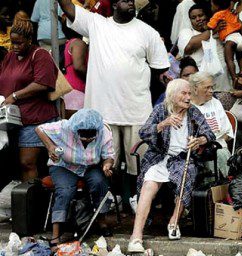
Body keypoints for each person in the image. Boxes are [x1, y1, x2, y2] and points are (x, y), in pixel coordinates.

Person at [58, 0, 169, 181]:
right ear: (115, 4)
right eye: (125, 1)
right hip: (104, 112)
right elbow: (69, 9)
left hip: (136, 110)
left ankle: (137, 199)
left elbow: (160, 69)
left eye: (132, 1)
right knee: (108, 166)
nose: (131, 3)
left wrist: (167, 80)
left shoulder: (148, 32)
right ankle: (112, 202)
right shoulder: (96, 24)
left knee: (140, 163)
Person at [128, 79, 215, 253]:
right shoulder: (161, 110)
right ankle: (136, 237)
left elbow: (210, 134)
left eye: (190, 93)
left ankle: (174, 222)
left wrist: (200, 140)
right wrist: (163, 124)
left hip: (182, 158)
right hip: (159, 158)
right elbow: (143, 132)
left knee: (187, 174)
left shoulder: (193, 112)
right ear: (172, 95)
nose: (188, 97)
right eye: (184, 93)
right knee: (148, 185)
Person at [36, 109, 114, 251]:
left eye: (91, 137)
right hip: (64, 166)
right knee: (65, 191)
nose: (87, 140)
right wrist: (50, 147)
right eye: (83, 136)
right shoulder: (65, 126)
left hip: (91, 166)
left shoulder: (103, 131)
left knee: (99, 182)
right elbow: (39, 129)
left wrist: (107, 164)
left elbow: (109, 155)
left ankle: (101, 221)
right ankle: (55, 234)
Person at [0, 11, 58, 181]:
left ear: (29, 40)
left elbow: (44, 83)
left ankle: (31, 203)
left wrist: (15, 96)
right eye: (13, 42)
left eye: (19, 43)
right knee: (14, 163)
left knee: (27, 162)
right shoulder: (10, 56)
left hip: (35, 117)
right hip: (11, 119)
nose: (15, 47)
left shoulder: (40, 55)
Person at [190, 72, 233, 177]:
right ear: (195, 89)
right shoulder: (188, 106)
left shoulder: (215, 103)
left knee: (221, 153)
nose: (211, 91)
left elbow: (228, 133)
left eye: (212, 87)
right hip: (195, 152)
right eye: (207, 87)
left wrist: (211, 142)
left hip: (218, 148)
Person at [207, 0, 242, 86]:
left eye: (211, 4)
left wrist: (212, 27)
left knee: (229, 59)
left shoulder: (217, 15)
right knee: (240, 57)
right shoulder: (232, 12)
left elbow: (209, 27)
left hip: (230, 39)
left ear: (216, 6)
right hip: (240, 37)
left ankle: (234, 77)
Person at [62, 30, 88, 118]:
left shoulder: (69, 43)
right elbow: (78, 66)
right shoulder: (78, 43)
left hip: (68, 90)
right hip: (77, 93)